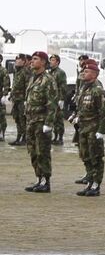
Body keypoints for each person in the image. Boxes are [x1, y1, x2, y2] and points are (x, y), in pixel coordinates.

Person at [23, 52, 59, 193]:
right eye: (32, 59)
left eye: (35, 59)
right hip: (31, 121)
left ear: (43, 62)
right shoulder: (33, 78)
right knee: (33, 152)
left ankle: (45, 181)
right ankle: (39, 179)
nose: (32, 61)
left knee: (42, 152)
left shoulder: (48, 80)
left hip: (41, 122)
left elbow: (52, 103)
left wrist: (48, 123)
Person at [74, 60, 105, 197]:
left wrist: (101, 131)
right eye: (83, 71)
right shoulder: (84, 89)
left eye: (87, 71)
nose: (84, 73)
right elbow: (81, 108)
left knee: (96, 157)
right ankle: (90, 181)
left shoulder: (98, 91)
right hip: (83, 128)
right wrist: (76, 117)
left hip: (93, 129)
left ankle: (96, 184)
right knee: (86, 156)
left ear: (94, 74)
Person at [9, 54, 29, 146]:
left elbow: (27, 86)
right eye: (16, 60)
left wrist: (26, 99)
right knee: (17, 118)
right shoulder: (17, 72)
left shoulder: (26, 72)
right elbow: (14, 85)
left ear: (24, 62)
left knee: (22, 119)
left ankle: (24, 138)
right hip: (16, 100)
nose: (17, 61)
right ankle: (19, 137)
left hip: (22, 100)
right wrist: (11, 95)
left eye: (19, 60)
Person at [48, 54, 68, 145]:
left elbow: (63, 86)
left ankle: (60, 137)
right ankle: (55, 136)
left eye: (53, 60)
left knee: (59, 119)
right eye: (50, 60)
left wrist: (61, 99)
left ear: (57, 62)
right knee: (53, 119)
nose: (51, 62)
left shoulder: (60, 72)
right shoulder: (50, 72)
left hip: (57, 99)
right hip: (51, 99)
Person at [0, 54, 9, 143]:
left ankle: (2, 133)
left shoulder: (3, 70)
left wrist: (4, 95)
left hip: (0, 95)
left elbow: (6, 83)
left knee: (1, 116)